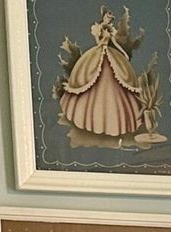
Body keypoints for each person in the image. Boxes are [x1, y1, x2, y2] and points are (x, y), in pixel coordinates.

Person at [59, 8, 145, 144]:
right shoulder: (97, 28)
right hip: (98, 53)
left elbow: (114, 43)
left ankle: (118, 121)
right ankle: (90, 119)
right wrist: (102, 38)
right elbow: (98, 41)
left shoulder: (110, 30)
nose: (108, 19)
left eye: (110, 18)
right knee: (89, 77)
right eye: (107, 17)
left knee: (115, 82)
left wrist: (124, 54)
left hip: (110, 54)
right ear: (103, 17)